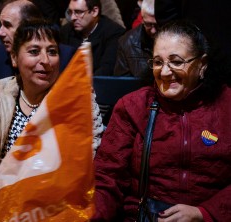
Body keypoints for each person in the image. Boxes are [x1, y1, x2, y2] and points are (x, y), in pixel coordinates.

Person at [0, 18, 103, 212]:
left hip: (52, 207)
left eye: (52, 51)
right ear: (15, 58)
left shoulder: (78, 100)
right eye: (34, 51)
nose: (46, 61)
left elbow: (87, 158)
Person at [92, 20, 231, 221]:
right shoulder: (134, 106)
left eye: (176, 62)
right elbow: (107, 178)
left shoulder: (226, 104)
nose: (164, 72)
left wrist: (204, 213)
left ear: (202, 65)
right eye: (158, 62)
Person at [0, 0, 76, 84]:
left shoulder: (66, 56)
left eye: (7, 25)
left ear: (29, 25)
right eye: (1, 25)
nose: (0, 33)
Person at [60, 0, 125, 76]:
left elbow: (107, 69)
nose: (72, 17)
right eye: (70, 12)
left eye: (78, 12)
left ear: (94, 11)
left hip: (98, 84)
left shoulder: (114, 33)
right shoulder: (66, 31)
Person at [114, 0, 156, 83]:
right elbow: (122, 85)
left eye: (157, 25)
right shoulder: (127, 42)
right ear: (142, 20)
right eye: (148, 24)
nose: (153, 30)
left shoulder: (176, 39)